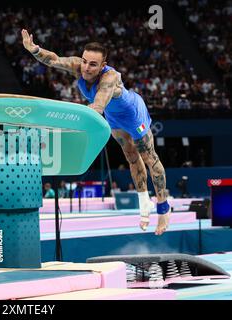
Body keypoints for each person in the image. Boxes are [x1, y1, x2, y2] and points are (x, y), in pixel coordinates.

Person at [22, 30, 170, 235]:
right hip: (115, 118)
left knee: (149, 157)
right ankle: (144, 203)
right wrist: (35, 50)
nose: (86, 67)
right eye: (84, 61)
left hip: (134, 115)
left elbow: (98, 106)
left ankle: (164, 209)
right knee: (131, 158)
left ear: (103, 65)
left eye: (93, 64)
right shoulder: (78, 67)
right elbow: (54, 60)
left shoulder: (109, 78)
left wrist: (66, 117)